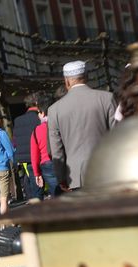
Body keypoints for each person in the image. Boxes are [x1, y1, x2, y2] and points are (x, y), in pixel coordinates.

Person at [48, 60, 117, 191]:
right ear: (87, 76)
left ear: (66, 81)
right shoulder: (107, 98)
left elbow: (56, 149)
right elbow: (117, 135)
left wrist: (60, 177)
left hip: (76, 175)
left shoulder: (54, 110)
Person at [29, 92, 61, 198]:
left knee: (56, 193)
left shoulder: (36, 130)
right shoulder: (61, 124)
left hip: (47, 164)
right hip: (63, 161)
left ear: (42, 113)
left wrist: (37, 173)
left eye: (38, 112)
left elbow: (34, 155)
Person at [12, 92, 42, 201]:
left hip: (26, 159)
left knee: (34, 186)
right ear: (37, 103)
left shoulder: (18, 120)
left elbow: (16, 140)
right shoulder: (39, 118)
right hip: (41, 157)